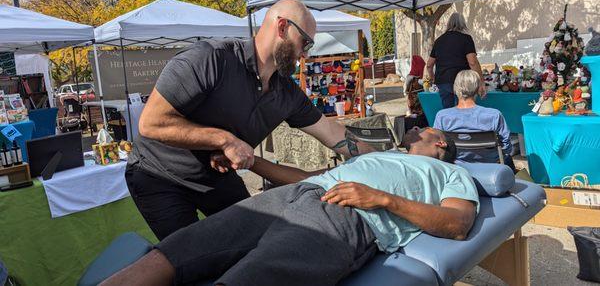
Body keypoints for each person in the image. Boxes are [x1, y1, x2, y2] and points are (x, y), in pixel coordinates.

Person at [101, 127, 479, 286]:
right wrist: (251, 162)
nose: (415, 131)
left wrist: (382, 199)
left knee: (249, 277)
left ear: (440, 142)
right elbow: (303, 177)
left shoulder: (449, 172)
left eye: (423, 131)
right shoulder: (379, 155)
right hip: (296, 195)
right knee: (180, 248)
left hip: (347, 216)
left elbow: (458, 223)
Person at [127, 0, 373, 240]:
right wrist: (225, 140)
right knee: (188, 255)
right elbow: (150, 123)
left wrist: (385, 159)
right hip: (159, 173)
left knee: (253, 241)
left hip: (216, 176)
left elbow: (332, 133)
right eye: (305, 43)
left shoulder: (286, 93)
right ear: (282, 27)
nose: (305, 54)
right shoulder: (210, 59)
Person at [434, 70, 516, 172]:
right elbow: (507, 147)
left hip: (456, 168)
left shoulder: (442, 116)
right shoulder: (494, 115)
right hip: (492, 168)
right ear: (477, 88)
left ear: (455, 89)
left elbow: (437, 145)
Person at [426, 13, 485, 109]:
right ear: (463, 24)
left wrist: (432, 78)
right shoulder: (466, 39)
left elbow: (429, 65)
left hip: (443, 81)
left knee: (448, 112)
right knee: (464, 111)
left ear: (449, 24)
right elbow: (472, 62)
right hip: (461, 81)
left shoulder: (439, 41)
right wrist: (481, 81)